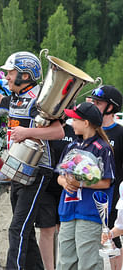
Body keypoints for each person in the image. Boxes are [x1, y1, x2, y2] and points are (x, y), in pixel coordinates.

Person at [0, 51, 64, 269]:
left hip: (37, 172)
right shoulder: (17, 97)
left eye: (11, 73)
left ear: (26, 76)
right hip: (19, 170)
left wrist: (27, 132)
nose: (6, 77)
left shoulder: (39, 99)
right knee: (24, 233)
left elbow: (58, 131)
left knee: (16, 229)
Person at [57, 102, 115, 270]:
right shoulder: (71, 146)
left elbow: (106, 181)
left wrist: (81, 183)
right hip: (68, 210)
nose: (71, 122)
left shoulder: (103, 148)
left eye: (75, 119)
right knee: (65, 261)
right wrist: (65, 182)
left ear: (86, 122)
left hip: (89, 211)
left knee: (88, 262)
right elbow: (59, 176)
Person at [35, 120, 76, 270]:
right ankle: (49, 268)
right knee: (47, 229)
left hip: (66, 188)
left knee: (64, 229)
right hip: (45, 186)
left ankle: (64, 266)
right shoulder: (42, 130)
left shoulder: (73, 131)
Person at [90, 85, 123, 270]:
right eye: (93, 102)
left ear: (111, 107)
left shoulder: (119, 133)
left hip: (114, 195)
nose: (94, 105)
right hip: (92, 193)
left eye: (98, 102)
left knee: (114, 238)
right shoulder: (91, 131)